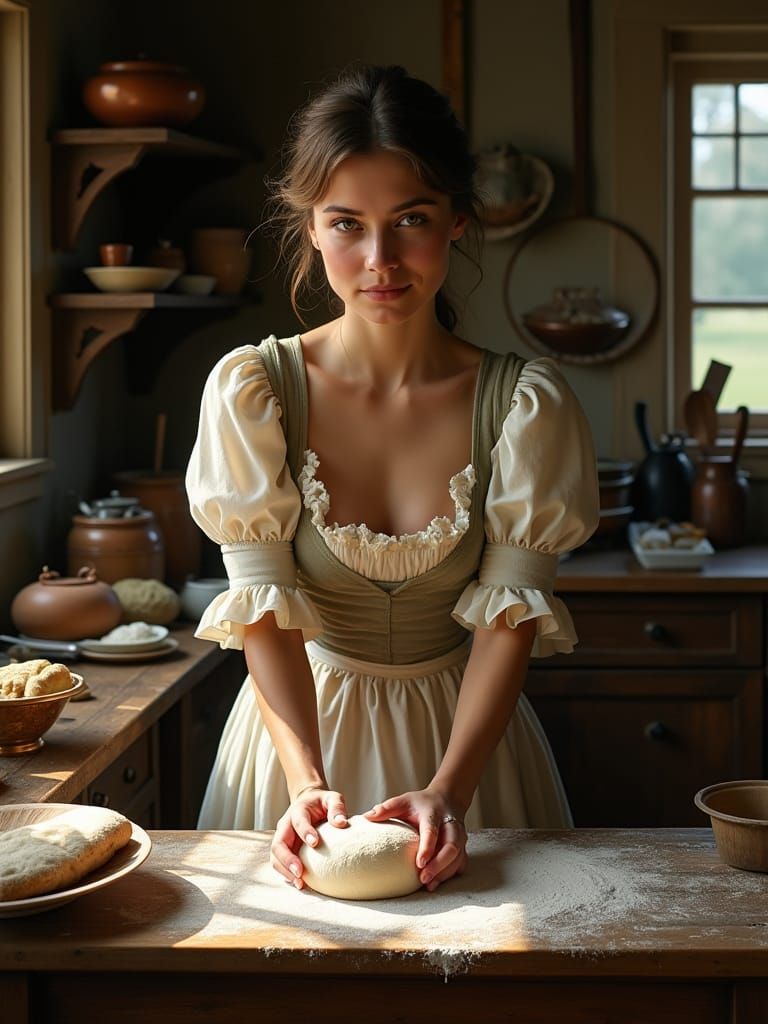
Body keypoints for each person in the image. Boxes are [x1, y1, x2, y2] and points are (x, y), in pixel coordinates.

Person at [185, 63, 599, 893]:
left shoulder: (524, 404)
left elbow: (508, 624)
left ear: (456, 221)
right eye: (347, 224)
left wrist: (452, 791)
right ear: (310, 228)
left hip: (471, 750)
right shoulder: (256, 391)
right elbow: (264, 617)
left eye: (411, 219)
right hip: (294, 744)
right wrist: (305, 783)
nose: (380, 260)